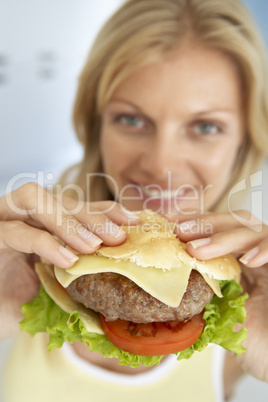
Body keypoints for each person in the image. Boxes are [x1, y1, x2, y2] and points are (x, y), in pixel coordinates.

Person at [1, 0, 268, 400]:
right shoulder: (22, 255)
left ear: (245, 139)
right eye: (132, 119)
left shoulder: (246, 315)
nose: (162, 166)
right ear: (95, 126)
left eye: (206, 126)